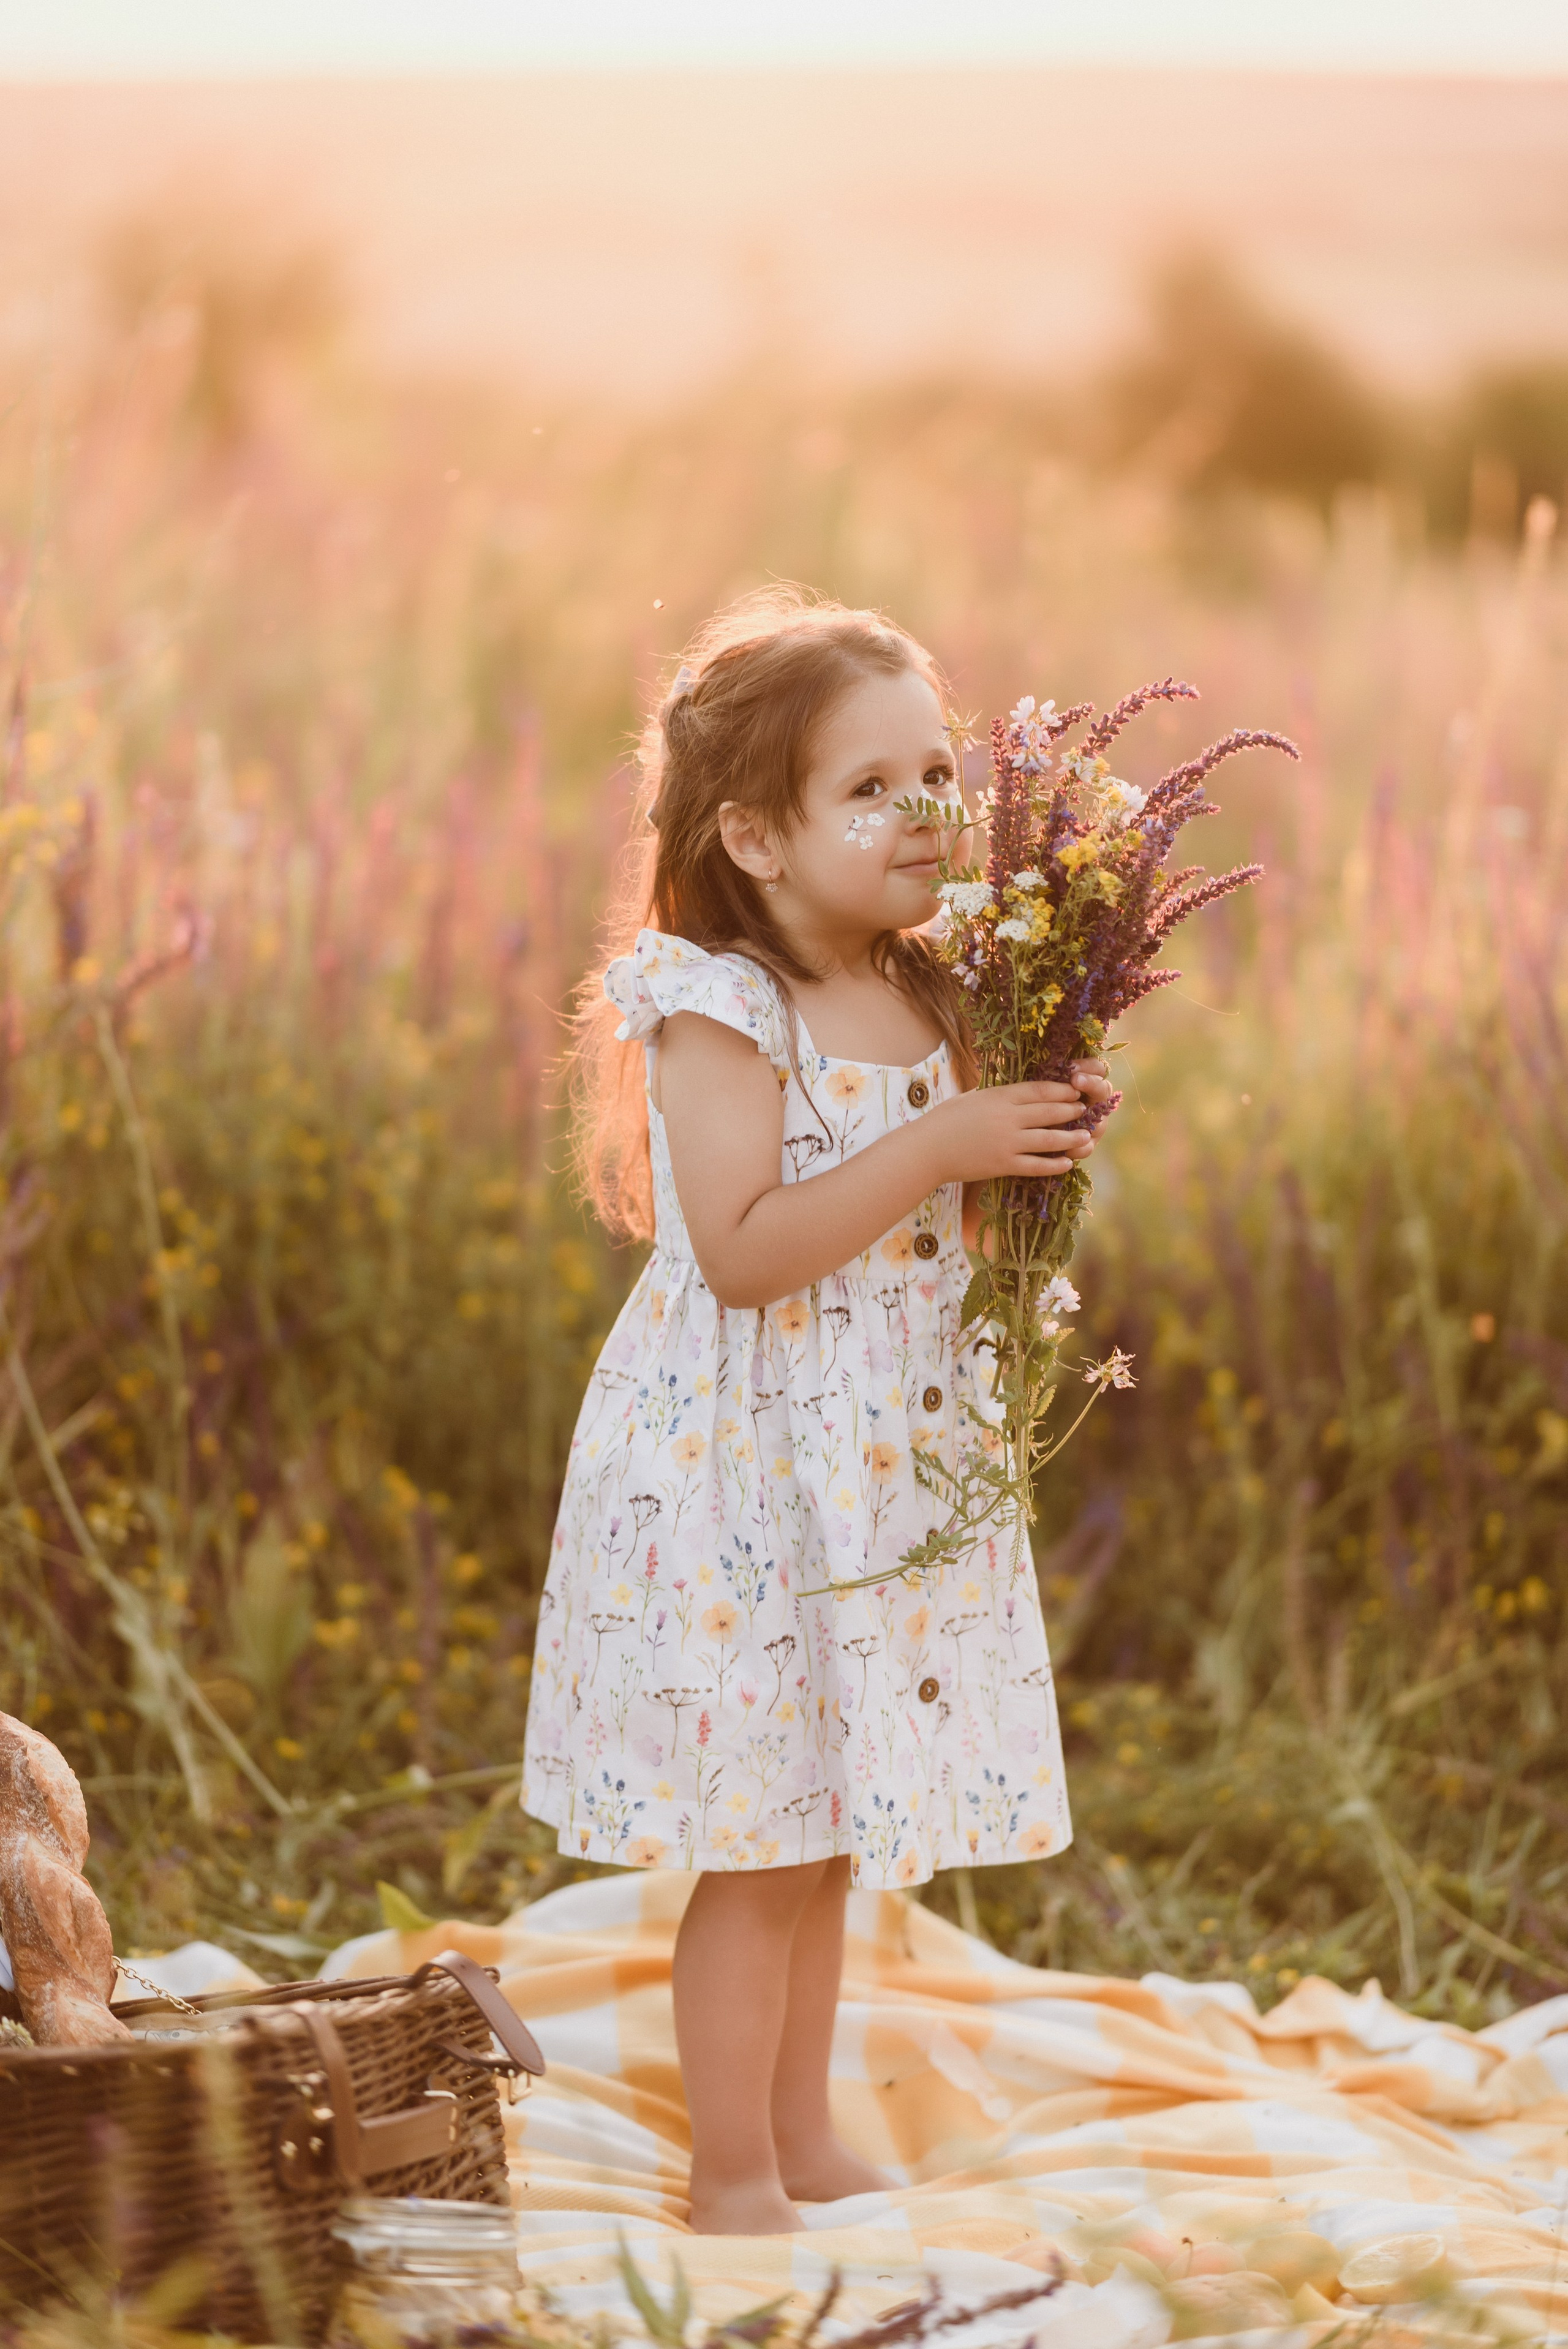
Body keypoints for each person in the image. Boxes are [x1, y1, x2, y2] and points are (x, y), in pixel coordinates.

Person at [522, 588, 1115, 2234]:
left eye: (941, 768)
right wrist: (939, 1143)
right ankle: (731, 2171)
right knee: (762, 1836)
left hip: (878, 1465)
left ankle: (799, 2125)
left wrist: (1031, 1144)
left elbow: (946, 1232)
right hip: (748, 1470)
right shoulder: (727, 1003)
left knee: (836, 1821)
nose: (929, 809)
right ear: (757, 839)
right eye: (872, 785)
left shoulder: (937, 987)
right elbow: (743, 1248)